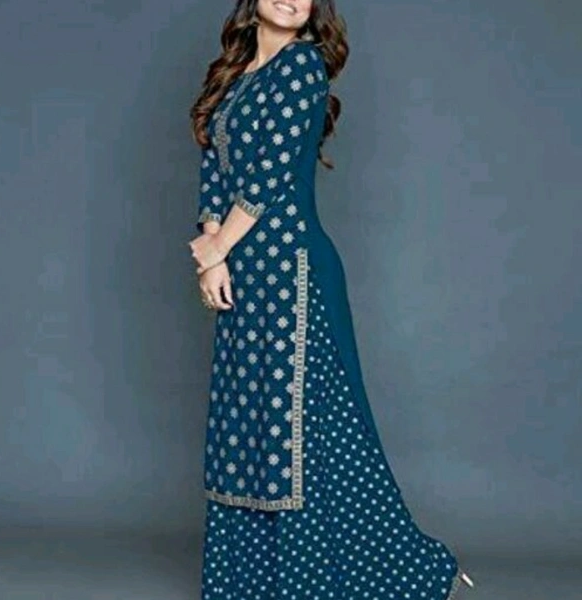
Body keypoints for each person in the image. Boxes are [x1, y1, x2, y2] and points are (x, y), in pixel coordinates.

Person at [188, 1, 476, 598]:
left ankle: (398, 569)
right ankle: (248, 582)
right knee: (245, 428)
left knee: (304, 431)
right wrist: (211, 255)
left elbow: (267, 176)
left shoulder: (303, 67)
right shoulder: (231, 78)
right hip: (241, 273)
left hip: (292, 271)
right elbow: (213, 170)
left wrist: (218, 248)